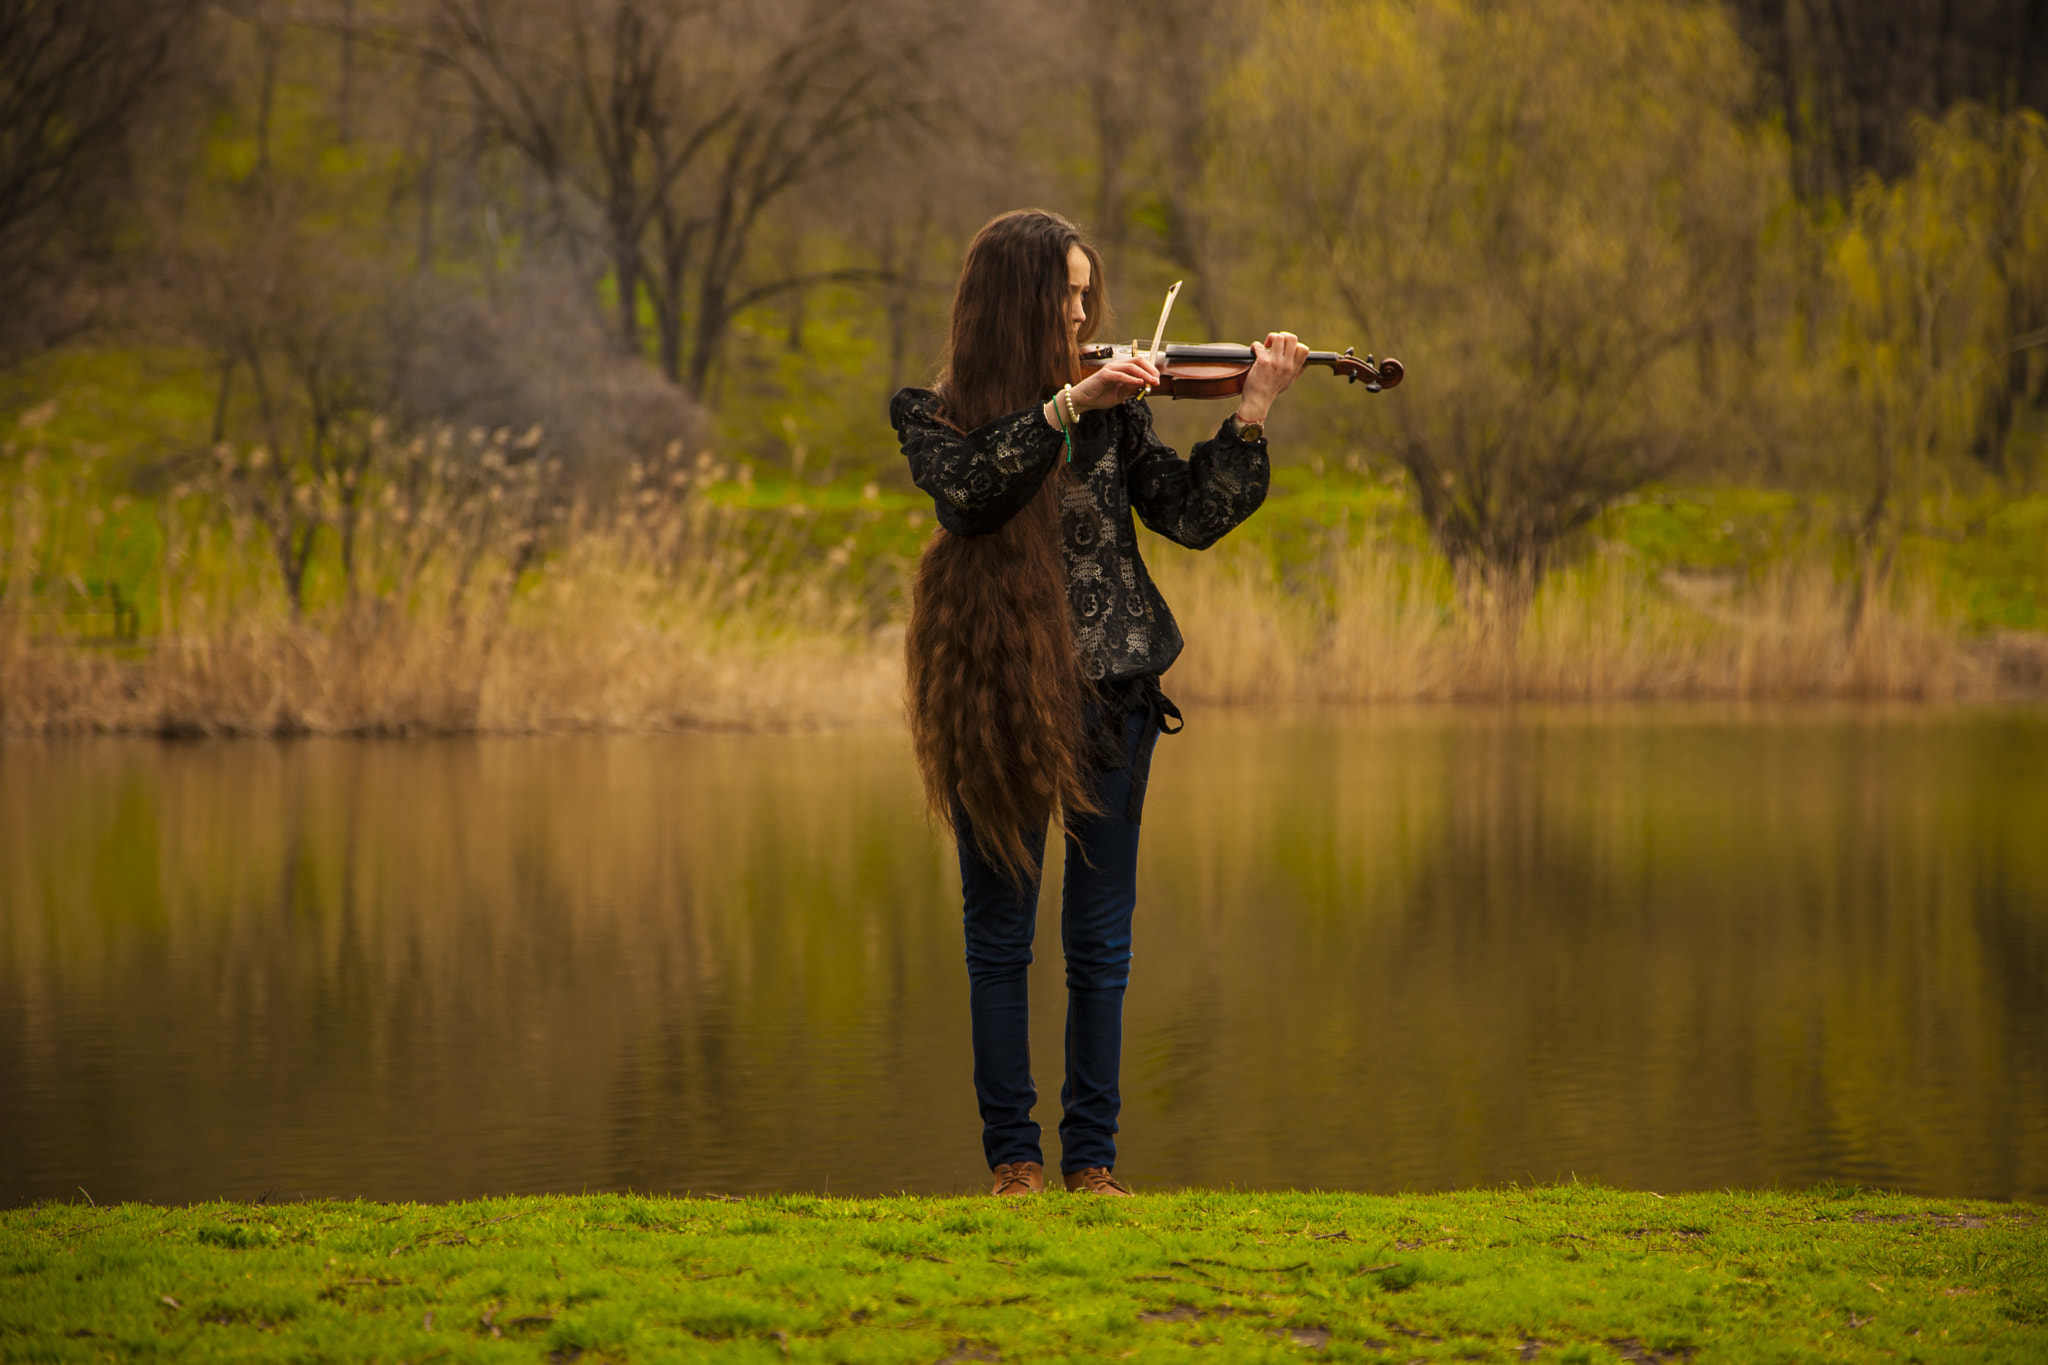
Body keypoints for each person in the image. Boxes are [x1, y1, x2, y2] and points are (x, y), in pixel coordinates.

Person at [892, 208, 1306, 1196]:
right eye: (1066, 295)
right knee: (998, 938)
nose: (1083, 315)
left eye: (1088, 295)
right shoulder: (932, 412)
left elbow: (1189, 516)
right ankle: (1013, 1165)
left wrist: (1249, 411)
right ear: (1017, 301)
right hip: (992, 696)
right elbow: (967, 493)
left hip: (1113, 692)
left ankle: (1092, 1165)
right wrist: (1065, 407)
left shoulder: (1116, 406)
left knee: (1099, 940)